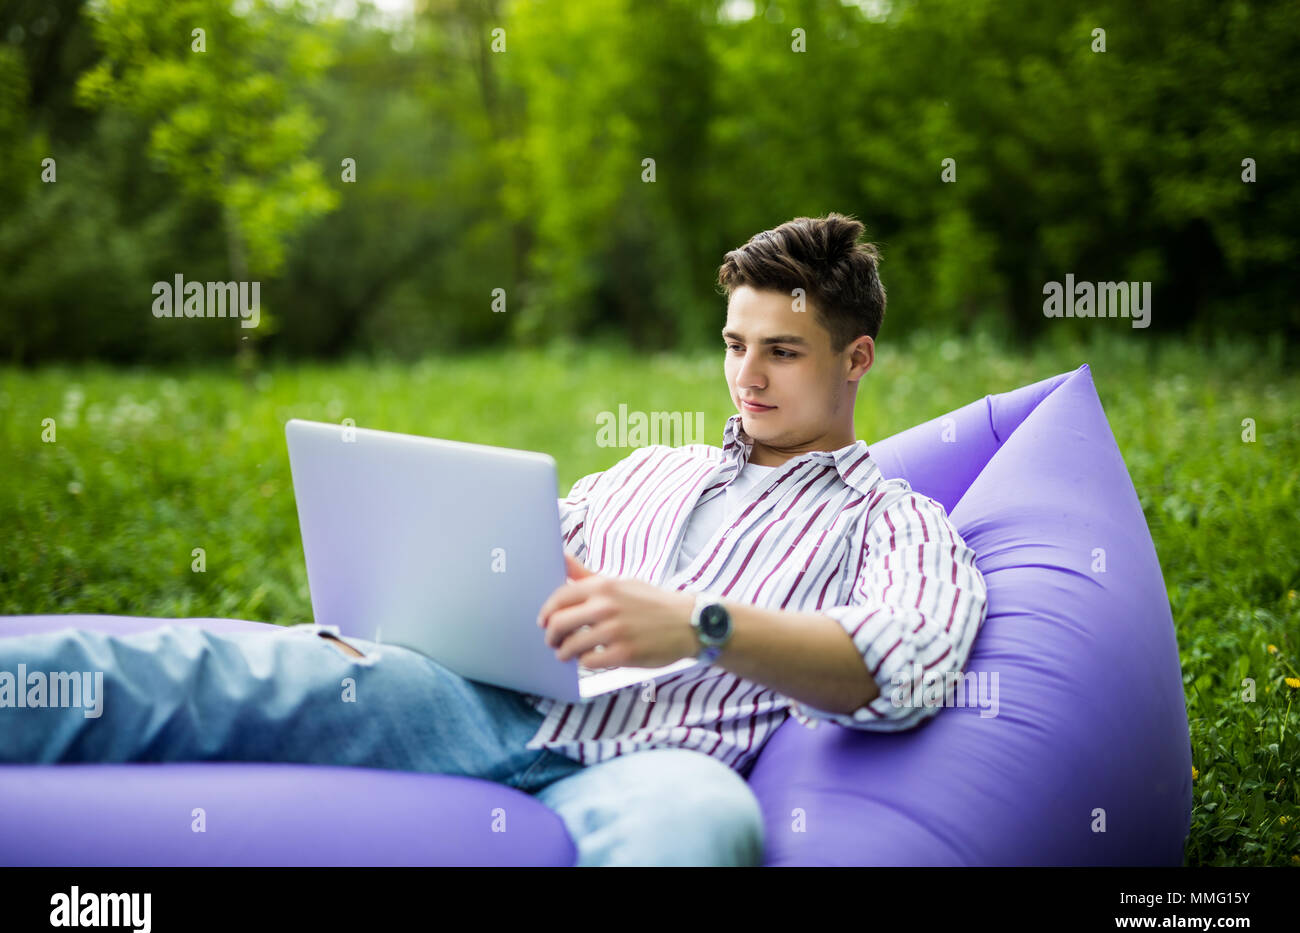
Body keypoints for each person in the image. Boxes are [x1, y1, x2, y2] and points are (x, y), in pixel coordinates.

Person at [0, 212, 988, 866]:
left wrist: (699, 623)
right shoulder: (651, 469)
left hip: (664, 756)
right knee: (209, 667)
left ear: (855, 357)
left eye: (783, 350)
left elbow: (900, 668)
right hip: (475, 703)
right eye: (734, 344)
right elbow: (510, 560)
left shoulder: (894, 519)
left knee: (704, 832)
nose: (747, 375)